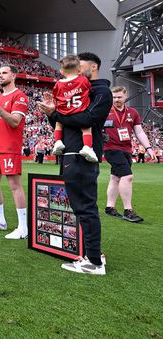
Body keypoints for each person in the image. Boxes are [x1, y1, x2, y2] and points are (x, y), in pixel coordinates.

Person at [37, 52, 112, 275]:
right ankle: (93, 253)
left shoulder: (101, 91)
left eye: (81, 65)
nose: (76, 69)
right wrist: (53, 115)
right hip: (70, 152)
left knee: (85, 207)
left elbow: (87, 119)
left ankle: (94, 262)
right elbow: (63, 123)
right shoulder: (76, 90)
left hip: (82, 154)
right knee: (81, 206)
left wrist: (57, 113)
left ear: (94, 67)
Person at [0, 65, 29, 239]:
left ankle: (23, 228)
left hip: (9, 146)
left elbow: (15, 121)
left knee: (14, 185)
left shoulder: (20, 96)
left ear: (13, 75)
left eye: (4, 73)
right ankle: (0, 221)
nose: (0, 76)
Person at [103, 86, 153, 223]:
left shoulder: (133, 112)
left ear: (125, 96)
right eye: (114, 97)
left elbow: (139, 132)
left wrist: (148, 147)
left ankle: (109, 207)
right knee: (127, 176)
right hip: (111, 149)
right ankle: (128, 210)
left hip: (126, 149)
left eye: (119, 97)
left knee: (115, 178)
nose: (116, 99)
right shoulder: (104, 111)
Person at [51, 55, 97, 162]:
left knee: (58, 123)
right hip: (79, 110)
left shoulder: (58, 84)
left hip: (64, 111)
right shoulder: (83, 80)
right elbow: (90, 90)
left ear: (62, 71)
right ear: (80, 69)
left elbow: (55, 97)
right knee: (86, 128)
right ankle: (87, 147)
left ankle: (57, 142)